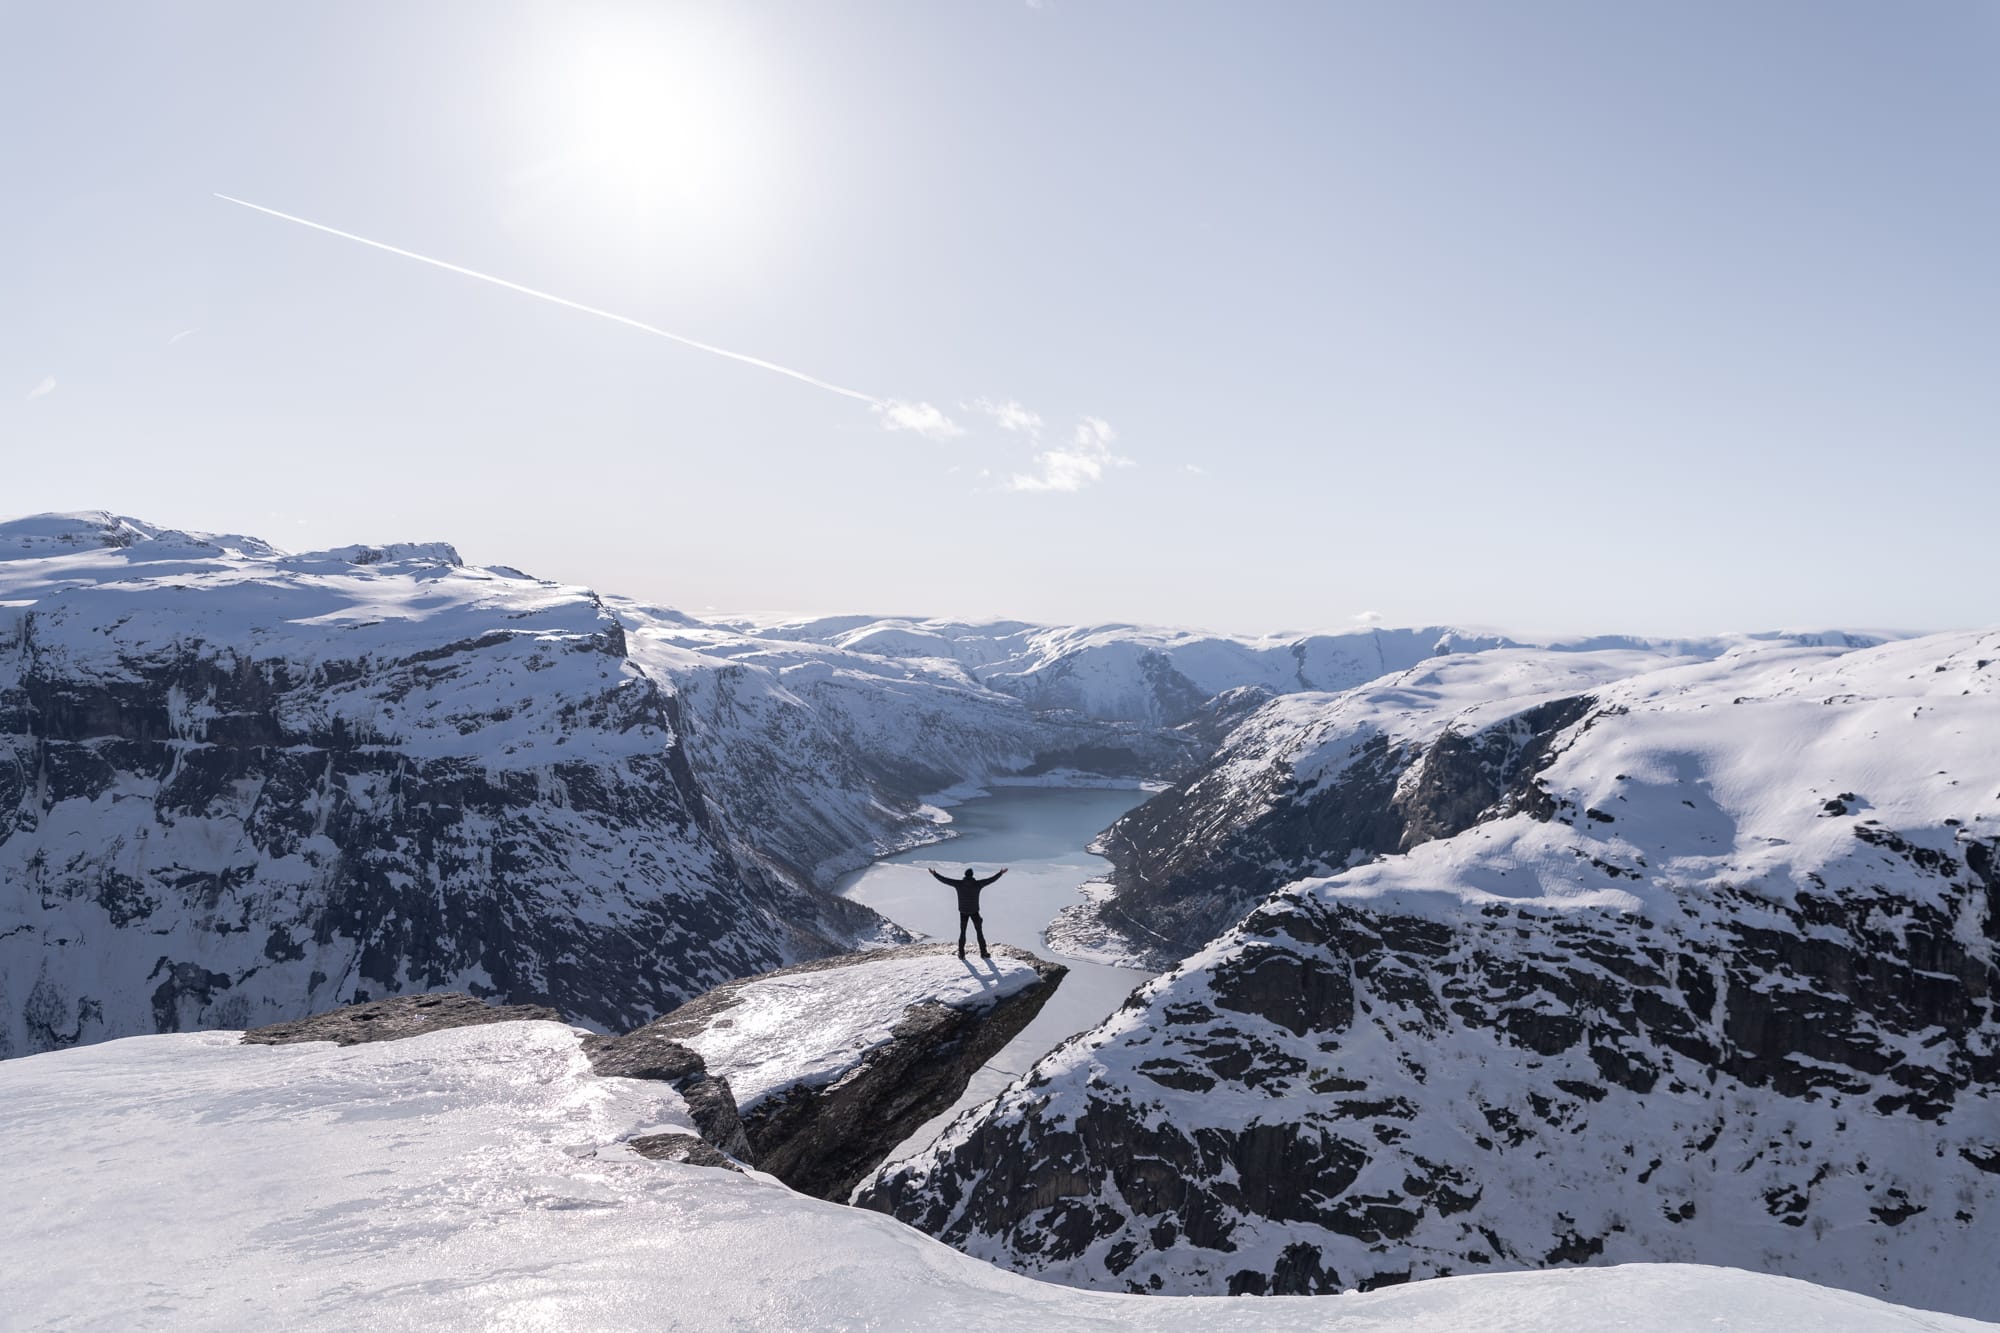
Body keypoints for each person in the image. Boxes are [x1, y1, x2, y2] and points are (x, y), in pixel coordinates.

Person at [929, 866, 1007, 958]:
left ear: (965, 875)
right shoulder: (978, 884)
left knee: (963, 932)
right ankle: (983, 953)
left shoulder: (959, 884)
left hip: (963, 912)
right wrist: (1000, 873)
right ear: (972, 875)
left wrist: (935, 874)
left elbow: (945, 880)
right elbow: (990, 880)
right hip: (974, 911)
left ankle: (961, 954)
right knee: (979, 932)